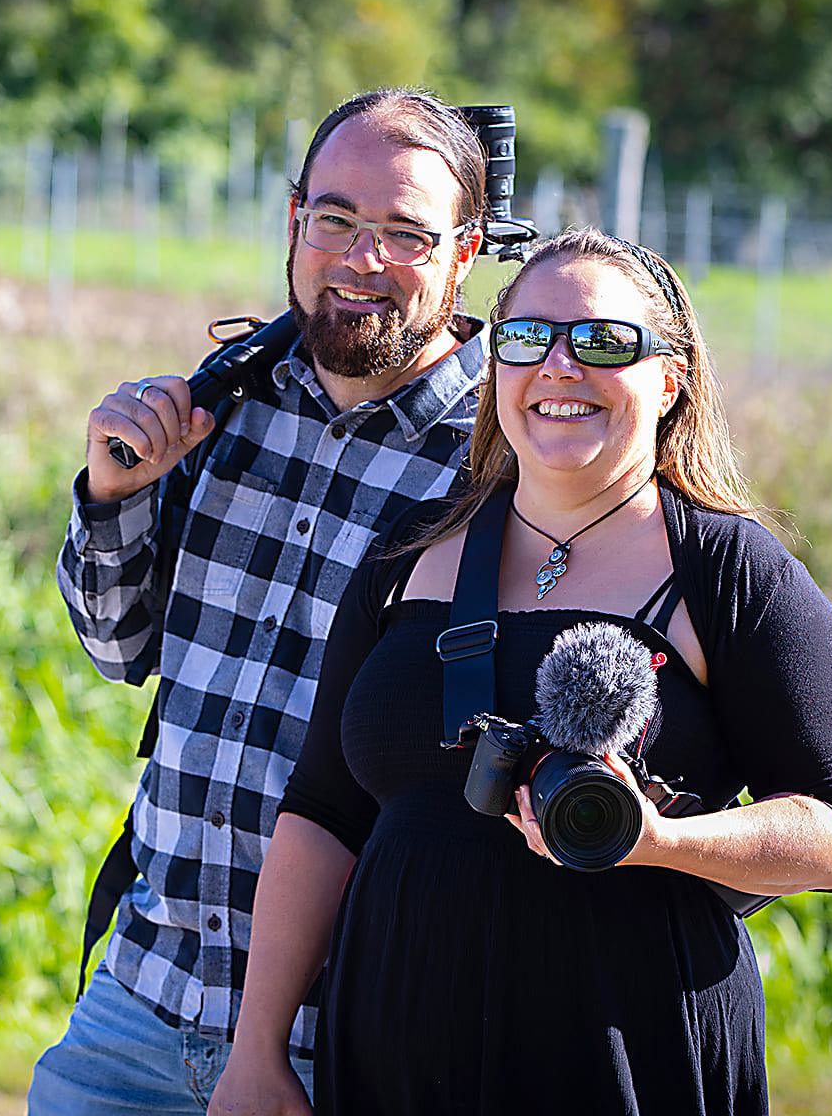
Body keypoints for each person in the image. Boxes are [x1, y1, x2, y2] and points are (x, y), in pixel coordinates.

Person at [211, 228, 832, 1116]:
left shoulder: (730, 573)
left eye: (602, 341)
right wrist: (256, 1051)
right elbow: (323, 812)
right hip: (394, 1046)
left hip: (623, 1048)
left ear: (669, 380)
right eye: (526, 339)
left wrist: (663, 843)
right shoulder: (408, 554)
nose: (558, 367)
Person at [30, 89, 497, 1114]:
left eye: (405, 234)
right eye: (335, 220)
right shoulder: (225, 405)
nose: (361, 257)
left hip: (360, 1034)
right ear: (294, 222)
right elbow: (117, 649)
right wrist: (116, 495)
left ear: (465, 254)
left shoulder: (498, 466)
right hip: (143, 999)